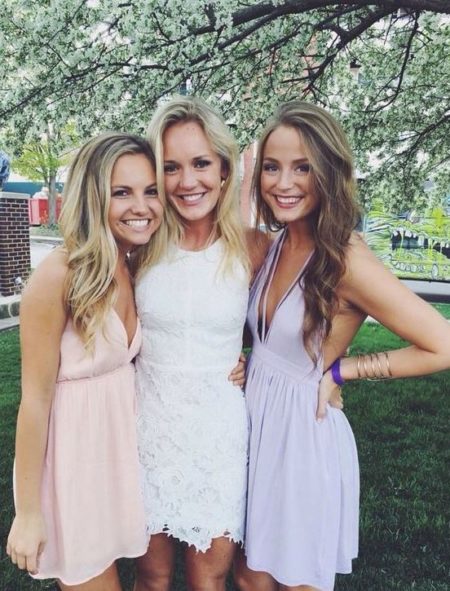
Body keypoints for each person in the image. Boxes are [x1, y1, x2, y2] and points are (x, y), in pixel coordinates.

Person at [234, 100, 450, 591]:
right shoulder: (277, 243)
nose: (283, 183)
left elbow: (442, 344)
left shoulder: (347, 259)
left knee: (296, 581)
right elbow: (267, 336)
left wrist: (342, 372)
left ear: (329, 173)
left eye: (302, 168)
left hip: (302, 436)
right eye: (272, 167)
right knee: (250, 579)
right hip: (258, 426)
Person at [6, 132, 164, 589]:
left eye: (151, 191)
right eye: (122, 192)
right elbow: (34, 401)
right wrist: (28, 513)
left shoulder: (130, 263)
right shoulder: (58, 275)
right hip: (73, 468)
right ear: (94, 197)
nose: (141, 206)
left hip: (116, 459)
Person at [132, 96, 267, 591]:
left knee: (207, 577)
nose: (187, 181)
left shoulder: (254, 246)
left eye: (201, 163)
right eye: (171, 167)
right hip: (147, 430)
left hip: (218, 437)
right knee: (151, 575)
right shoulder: (140, 246)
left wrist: (261, 361)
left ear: (225, 169)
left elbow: (297, 318)